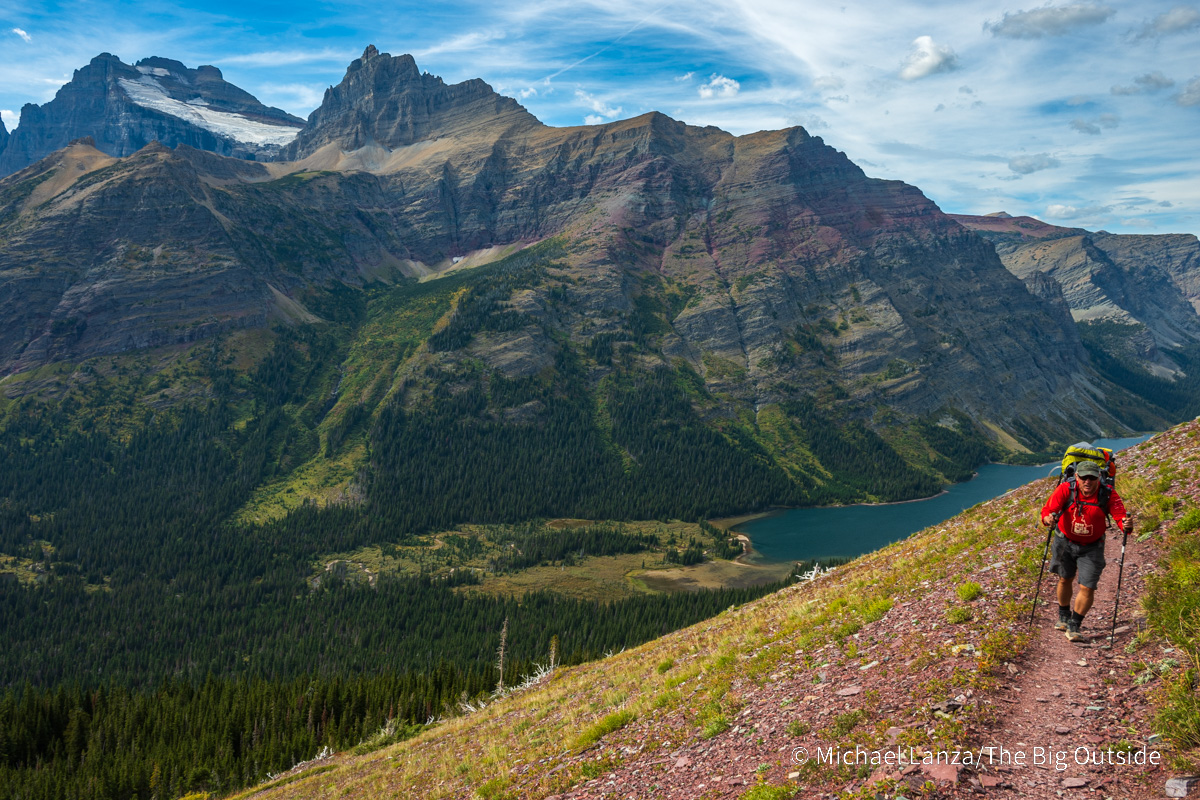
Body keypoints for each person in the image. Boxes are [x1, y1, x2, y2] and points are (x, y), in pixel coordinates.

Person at [1039, 460, 1132, 641]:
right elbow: (1048, 510)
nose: (1087, 481)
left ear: (1099, 478)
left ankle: (1075, 624)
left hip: (1092, 546)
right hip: (1065, 541)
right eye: (1084, 477)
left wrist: (1126, 525)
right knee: (1065, 578)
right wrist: (1047, 519)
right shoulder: (1066, 489)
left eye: (1092, 477)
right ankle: (1063, 614)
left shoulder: (1108, 493)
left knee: (1087, 586)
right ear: (1076, 477)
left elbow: (1120, 516)